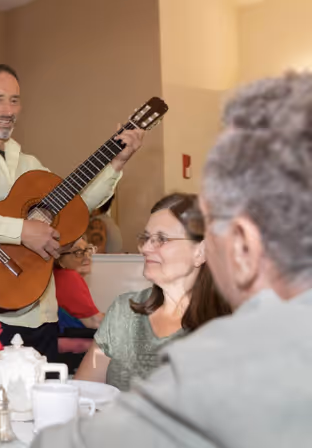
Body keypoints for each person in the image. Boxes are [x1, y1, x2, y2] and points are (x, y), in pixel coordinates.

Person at [31, 72, 312, 448]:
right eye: (146, 237)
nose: (148, 247)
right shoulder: (130, 317)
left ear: (239, 243)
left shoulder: (228, 350)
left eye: (216, 226)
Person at [0, 64, 145, 361]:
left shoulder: (30, 165)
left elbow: (76, 208)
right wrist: (21, 231)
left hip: (43, 311)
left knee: (43, 401)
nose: (8, 109)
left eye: (15, 100)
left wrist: (116, 164)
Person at [74, 193, 230, 391]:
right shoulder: (124, 312)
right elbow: (83, 391)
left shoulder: (226, 329)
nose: (146, 248)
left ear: (200, 251)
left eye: (161, 239)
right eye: (146, 238)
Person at [53, 237, 104, 329]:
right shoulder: (68, 277)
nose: (87, 257)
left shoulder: (57, 277)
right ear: (60, 260)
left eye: (88, 250)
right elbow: (96, 322)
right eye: (78, 253)